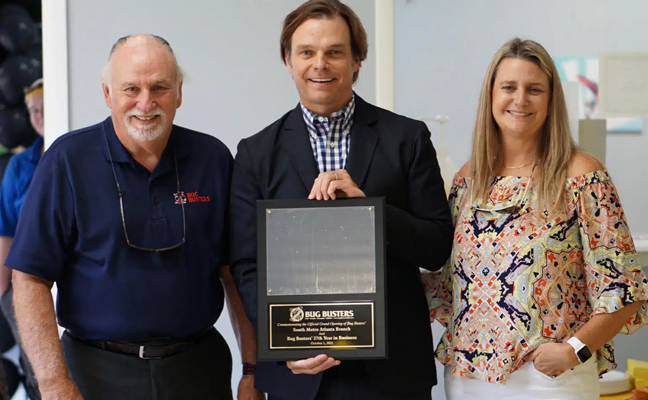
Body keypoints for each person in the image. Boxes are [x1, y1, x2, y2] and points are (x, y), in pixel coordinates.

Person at [5, 34, 263, 400]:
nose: (145, 102)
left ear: (178, 93)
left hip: (198, 370)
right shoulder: (66, 162)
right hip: (94, 374)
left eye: (159, 87)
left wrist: (252, 370)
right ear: (108, 94)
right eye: (131, 89)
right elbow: (30, 278)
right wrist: (54, 384)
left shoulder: (213, 159)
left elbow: (236, 274)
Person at [229, 1, 454, 399]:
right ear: (288, 60)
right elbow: (247, 265)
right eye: (307, 52)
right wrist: (283, 346)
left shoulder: (408, 139)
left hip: (392, 373)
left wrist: (370, 213)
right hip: (298, 374)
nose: (320, 64)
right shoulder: (255, 153)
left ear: (356, 60)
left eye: (334, 52)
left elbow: (437, 246)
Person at [424, 38, 648, 400]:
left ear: (551, 99)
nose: (520, 99)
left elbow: (625, 287)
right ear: (491, 95)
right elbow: (444, 280)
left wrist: (573, 350)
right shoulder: (469, 179)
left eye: (534, 89)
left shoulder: (581, 175)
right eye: (508, 87)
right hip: (468, 379)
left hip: (550, 380)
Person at [0, 77, 44, 399]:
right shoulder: (20, 165)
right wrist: (5, 296)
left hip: (73, 288)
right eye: (33, 110)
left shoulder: (79, 156)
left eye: (44, 107)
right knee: (37, 374)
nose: (39, 116)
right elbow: (6, 230)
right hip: (26, 287)